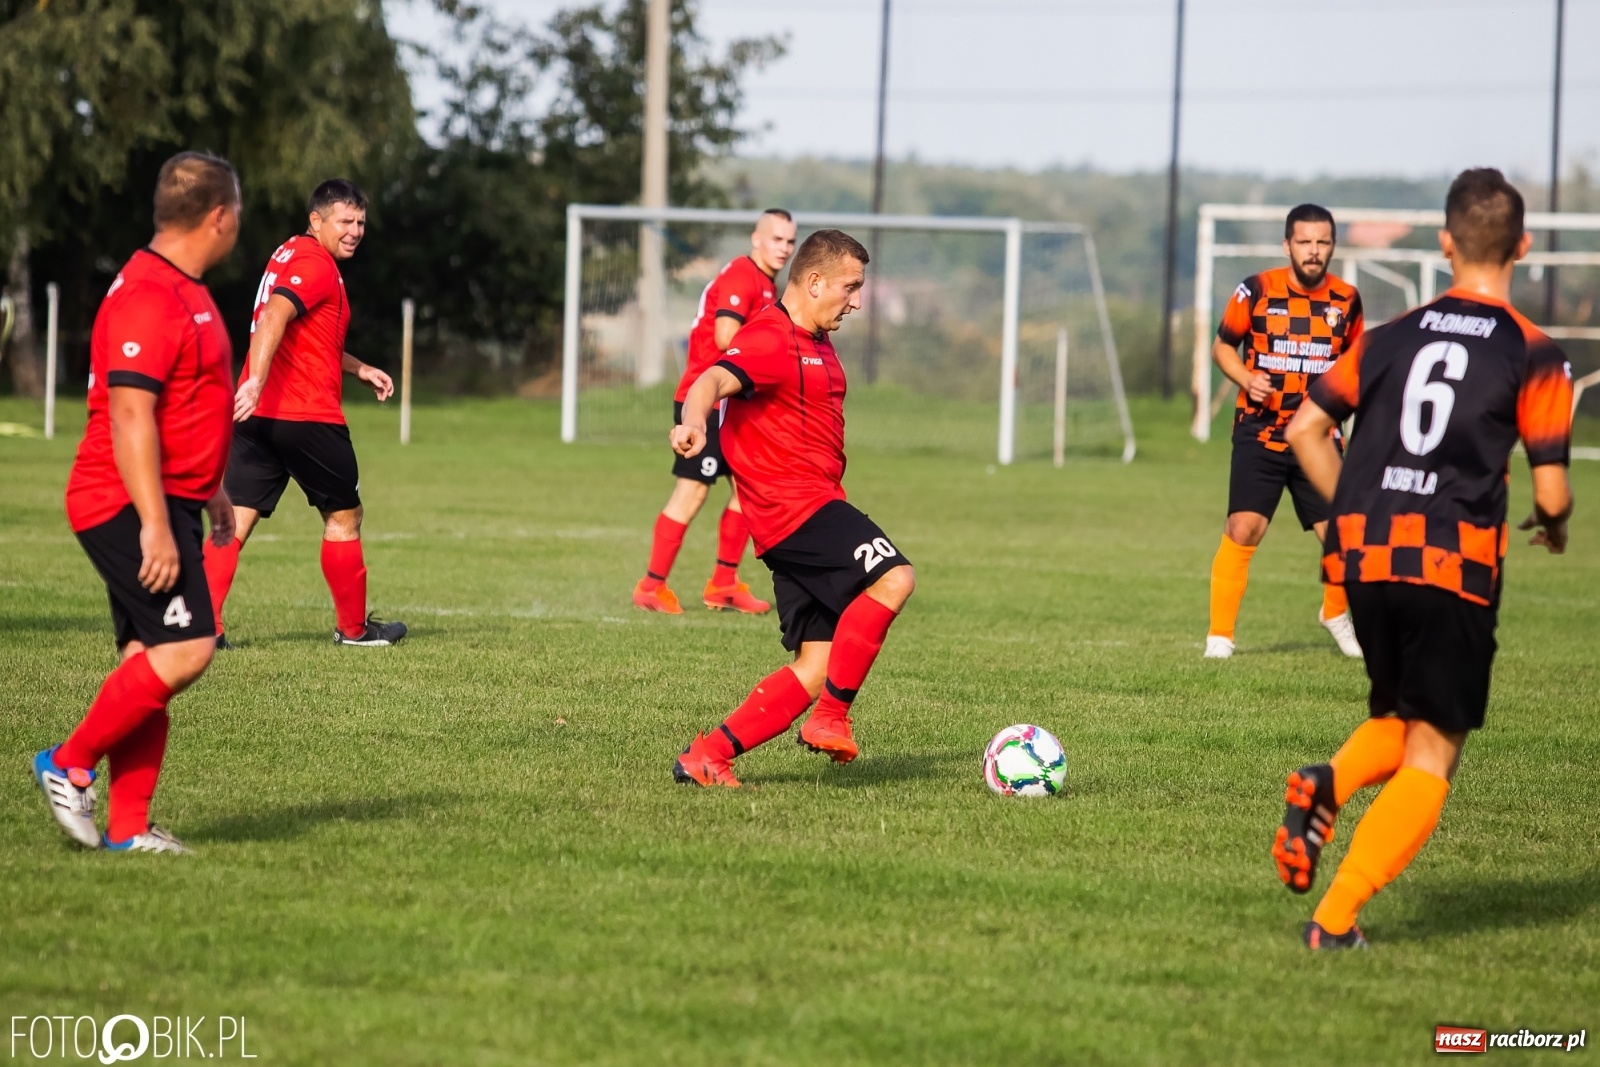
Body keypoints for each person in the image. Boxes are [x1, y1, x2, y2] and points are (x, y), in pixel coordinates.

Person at [1273, 168, 1573, 949]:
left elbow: (1306, 429)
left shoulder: (1387, 338)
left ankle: (1328, 783)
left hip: (1365, 559)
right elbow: (1551, 492)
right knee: (1434, 753)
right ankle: (1333, 918)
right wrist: (1555, 522)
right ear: (1524, 248)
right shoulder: (1534, 353)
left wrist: (1350, 514)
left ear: (1445, 245)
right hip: (1452, 564)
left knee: (1401, 718)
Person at [33, 152, 242, 854]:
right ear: (219, 215)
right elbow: (129, 414)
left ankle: (128, 828)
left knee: (146, 659)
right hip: (122, 499)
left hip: (170, 495)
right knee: (185, 649)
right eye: (237, 212)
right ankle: (67, 762)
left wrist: (210, 487)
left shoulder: (183, 285)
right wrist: (155, 521)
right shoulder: (151, 294)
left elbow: (185, 400)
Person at [669, 230, 915, 787]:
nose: (856, 301)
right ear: (814, 281)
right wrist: (691, 422)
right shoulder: (770, 339)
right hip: (797, 509)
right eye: (851, 288)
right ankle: (831, 717)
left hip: (800, 516)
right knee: (895, 578)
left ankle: (706, 755)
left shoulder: (819, 341)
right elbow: (711, 377)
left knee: (816, 665)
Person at [202, 179, 406, 647]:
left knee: (235, 518)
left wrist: (357, 368)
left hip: (258, 418)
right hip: (306, 416)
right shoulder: (315, 264)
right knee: (344, 518)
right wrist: (255, 378)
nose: (355, 230)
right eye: (345, 221)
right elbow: (275, 316)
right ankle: (355, 631)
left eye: (360, 223)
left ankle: (203, 628)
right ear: (317, 220)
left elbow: (307, 337)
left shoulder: (288, 255)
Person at [1205, 205, 1365, 659]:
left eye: (1322, 243)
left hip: (1318, 437)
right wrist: (1245, 378)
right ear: (1287, 244)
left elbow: (1354, 368)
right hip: (1261, 430)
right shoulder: (1256, 290)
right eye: (1304, 242)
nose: (1314, 252)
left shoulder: (1347, 300)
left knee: (1345, 535)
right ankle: (1220, 637)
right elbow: (1222, 346)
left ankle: (1335, 613)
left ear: (1332, 245)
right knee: (1245, 527)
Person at [633, 208, 798, 615]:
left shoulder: (764, 281)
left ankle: (723, 583)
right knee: (692, 493)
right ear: (756, 239)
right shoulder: (743, 275)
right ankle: (651, 586)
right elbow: (726, 336)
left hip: (733, 405)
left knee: (747, 489)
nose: (785, 248)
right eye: (777, 239)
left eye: (791, 241)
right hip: (702, 402)